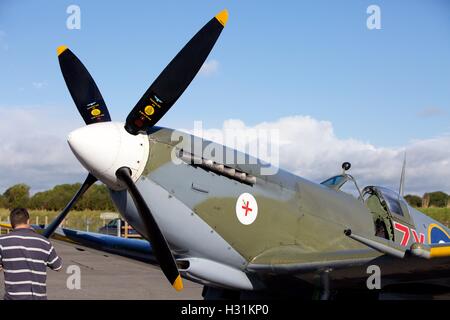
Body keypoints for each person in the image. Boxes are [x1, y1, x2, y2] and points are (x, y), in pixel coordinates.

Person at [0, 208, 62, 300]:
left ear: (11, 222)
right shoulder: (44, 242)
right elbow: (58, 266)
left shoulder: (2, 242)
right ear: (28, 221)